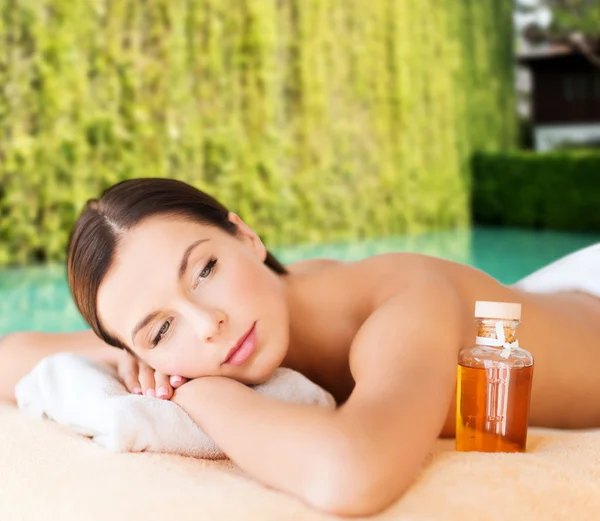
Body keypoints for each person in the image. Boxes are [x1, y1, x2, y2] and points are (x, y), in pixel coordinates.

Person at [1, 177, 600, 516]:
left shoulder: (403, 304)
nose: (206, 322)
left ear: (247, 236)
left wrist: (201, 394)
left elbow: (350, 474)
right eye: (160, 329)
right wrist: (136, 354)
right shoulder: (227, 324)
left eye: (204, 269)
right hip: (539, 297)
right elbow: (10, 354)